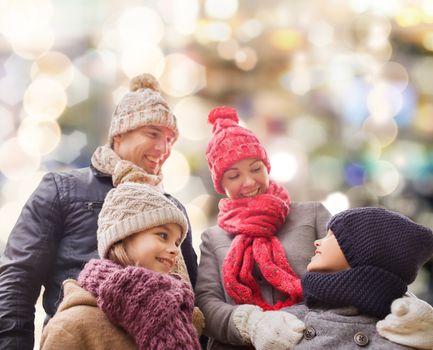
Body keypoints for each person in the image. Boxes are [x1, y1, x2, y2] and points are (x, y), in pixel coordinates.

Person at [195, 106, 433, 350]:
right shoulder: (213, 238)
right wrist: (252, 325)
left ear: (267, 167)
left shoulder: (311, 214)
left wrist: (408, 310)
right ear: (220, 183)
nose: (248, 182)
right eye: (234, 176)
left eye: (256, 169)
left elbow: (362, 266)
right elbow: (207, 304)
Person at [0, 74, 198, 350]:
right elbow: (17, 282)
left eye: (169, 140)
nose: (163, 149)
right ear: (120, 133)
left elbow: (193, 297)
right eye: (152, 134)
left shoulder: (172, 209)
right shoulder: (63, 190)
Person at [40, 168, 202, 349]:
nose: (174, 250)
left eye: (177, 242)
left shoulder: (180, 314)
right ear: (122, 237)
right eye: (163, 235)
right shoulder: (72, 325)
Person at [235, 207, 433, 349]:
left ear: (367, 251)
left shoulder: (407, 332)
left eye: (331, 236)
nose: (317, 242)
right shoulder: (286, 326)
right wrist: (253, 323)